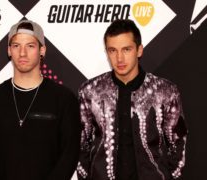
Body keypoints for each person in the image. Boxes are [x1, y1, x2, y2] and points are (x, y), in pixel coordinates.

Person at [76, 19, 188, 180]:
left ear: (139, 50)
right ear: (107, 52)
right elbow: (81, 144)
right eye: (112, 50)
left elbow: (177, 144)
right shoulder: (90, 91)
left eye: (126, 49)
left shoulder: (165, 91)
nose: (119, 58)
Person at [0, 19, 81, 180]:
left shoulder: (64, 99)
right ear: (9, 50)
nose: (22, 53)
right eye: (16, 46)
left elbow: (69, 155)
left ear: (42, 50)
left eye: (30, 46)